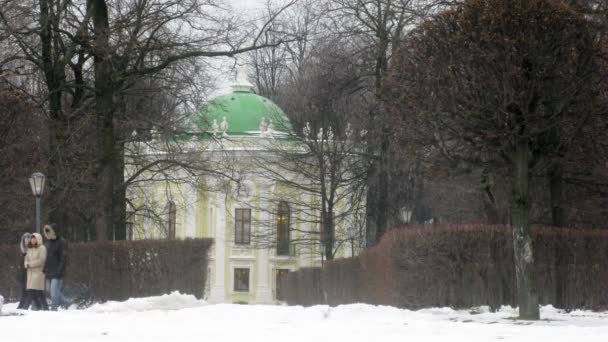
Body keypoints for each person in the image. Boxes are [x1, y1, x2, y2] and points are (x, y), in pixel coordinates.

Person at [43, 224, 69, 310]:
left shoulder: (62, 242)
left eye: (49, 231)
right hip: (49, 271)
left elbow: (63, 257)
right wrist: (45, 268)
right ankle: (66, 303)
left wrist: (59, 270)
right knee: (51, 290)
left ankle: (54, 308)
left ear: (54, 231)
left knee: (54, 291)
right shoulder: (49, 242)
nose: (47, 234)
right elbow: (48, 257)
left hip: (58, 272)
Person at [24, 233, 48, 310]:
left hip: (38, 273)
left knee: (33, 291)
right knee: (36, 292)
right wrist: (26, 264)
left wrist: (30, 264)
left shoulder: (42, 248)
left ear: (38, 239)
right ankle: (42, 307)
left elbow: (41, 260)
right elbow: (26, 259)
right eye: (32, 238)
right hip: (30, 273)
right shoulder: (29, 248)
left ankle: (25, 308)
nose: (33, 240)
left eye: (34, 238)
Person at [16, 232, 32, 309]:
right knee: (23, 289)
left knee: (29, 289)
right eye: (25, 239)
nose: (26, 241)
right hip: (22, 272)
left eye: (28, 239)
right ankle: (22, 304)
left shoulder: (31, 250)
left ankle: (26, 305)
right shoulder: (22, 250)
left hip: (29, 272)